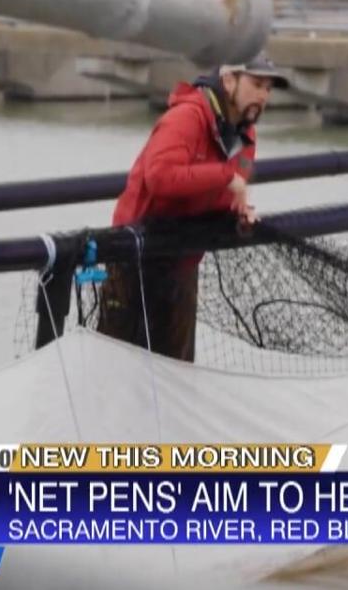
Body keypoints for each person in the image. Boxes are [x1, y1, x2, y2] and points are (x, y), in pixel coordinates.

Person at [96, 55, 290, 362]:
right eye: (256, 84)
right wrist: (226, 177)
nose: (263, 95)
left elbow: (230, 188)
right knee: (118, 363)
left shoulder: (246, 135)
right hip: (134, 257)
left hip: (183, 261)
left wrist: (238, 211)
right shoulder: (187, 117)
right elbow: (159, 177)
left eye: (268, 89)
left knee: (176, 365)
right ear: (229, 81)